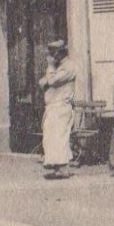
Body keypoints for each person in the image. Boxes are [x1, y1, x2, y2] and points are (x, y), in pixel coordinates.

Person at [37, 38, 77, 179]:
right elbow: (43, 83)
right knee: (51, 137)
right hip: (53, 107)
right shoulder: (59, 68)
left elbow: (52, 81)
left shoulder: (69, 67)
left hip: (61, 106)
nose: (52, 56)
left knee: (60, 137)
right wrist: (48, 78)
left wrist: (50, 68)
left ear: (60, 53)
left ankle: (63, 167)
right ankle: (56, 166)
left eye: (54, 53)